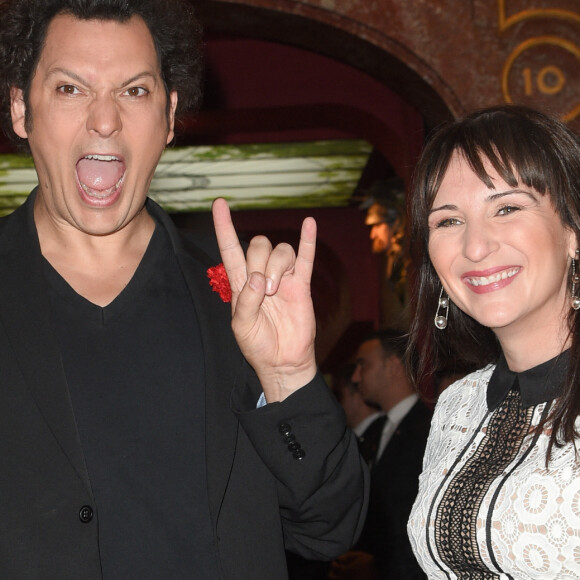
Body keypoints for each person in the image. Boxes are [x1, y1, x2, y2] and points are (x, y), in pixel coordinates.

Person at [0, 1, 367, 578]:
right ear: (21, 108)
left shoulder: (239, 301)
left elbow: (330, 530)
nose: (104, 120)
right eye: (71, 89)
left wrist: (289, 379)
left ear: (170, 116)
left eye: (135, 91)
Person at [406, 105, 580, 579]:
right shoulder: (458, 405)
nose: (475, 247)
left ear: (572, 231)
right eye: (448, 221)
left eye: (506, 208)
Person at [332, 330, 431, 579]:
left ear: (393, 366)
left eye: (363, 365)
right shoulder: (377, 431)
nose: (356, 377)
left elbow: (417, 519)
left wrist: (377, 565)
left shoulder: (428, 429)